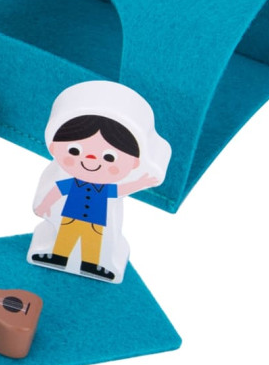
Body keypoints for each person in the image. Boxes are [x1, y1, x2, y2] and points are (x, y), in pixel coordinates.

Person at [28, 81, 171, 283]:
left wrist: (141, 182)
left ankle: (92, 265)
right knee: (65, 238)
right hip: (69, 217)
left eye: (109, 157)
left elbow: (121, 189)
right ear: (53, 148)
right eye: (75, 151)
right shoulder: (68, 180)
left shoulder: (105, 188)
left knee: (94, 244)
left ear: (135, 162)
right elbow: (56, 191)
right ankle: (58, 257)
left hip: (97, 222)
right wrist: (43, 205)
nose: (91, 160)